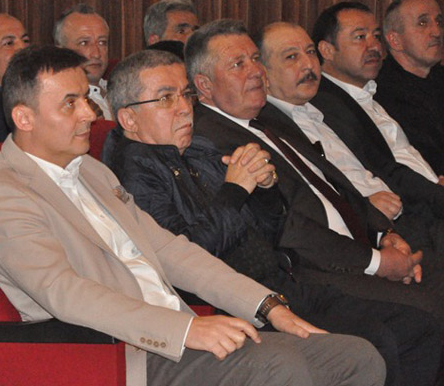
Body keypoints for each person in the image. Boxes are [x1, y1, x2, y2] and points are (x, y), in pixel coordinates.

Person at [0, 44, 385, 386]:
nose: (89, 113)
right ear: (24, 117)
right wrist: (186, 329)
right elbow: (66, 293)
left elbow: (169, 249)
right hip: (118, 353)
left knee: (356, 357)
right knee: (280, 367)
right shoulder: (6, 195)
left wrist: (265, 305)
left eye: (85, 98)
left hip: (175, 328)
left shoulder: (90, 171)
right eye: (70, 103)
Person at [103, 48, 440, 386]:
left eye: (185, 94)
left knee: (418, 328)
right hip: (231, 305)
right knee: (377, 341)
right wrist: (236, 189)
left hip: (281, 281)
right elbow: (187, 256)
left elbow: (271, 229)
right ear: (129, 119)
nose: (183, 107)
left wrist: (264, 189)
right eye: (166, 98)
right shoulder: (133, 173)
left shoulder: (198, 149)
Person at [188, 19, 444, 323]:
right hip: (312, 272)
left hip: (361, 248)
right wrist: (376, 262)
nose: (256, 70)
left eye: (255, 59)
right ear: (204, 85)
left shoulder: (268, 118)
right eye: (238, 64)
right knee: (429, 310)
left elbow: (337, 185)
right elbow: (288, 228)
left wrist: (384, 234)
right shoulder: (209, 141)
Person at [310, 2, 444, 220]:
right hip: (410, 216)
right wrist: (437, 194)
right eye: (360, 37)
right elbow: (385, 172)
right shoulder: (327, 106)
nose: (374, 46)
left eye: (376, 36)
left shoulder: (372, 91)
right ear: (327, 50)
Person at [375, 0, 444, 175]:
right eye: (423, 23)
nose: (437, 32)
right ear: (395, 40)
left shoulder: (438, 76)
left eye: (439, 22)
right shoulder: (383, 91)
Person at [53, 4, 112, 120]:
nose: (96, 54)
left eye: (102, 42)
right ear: (61, 50)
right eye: (84, 43)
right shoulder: (60, 102)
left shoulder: (123, 90)